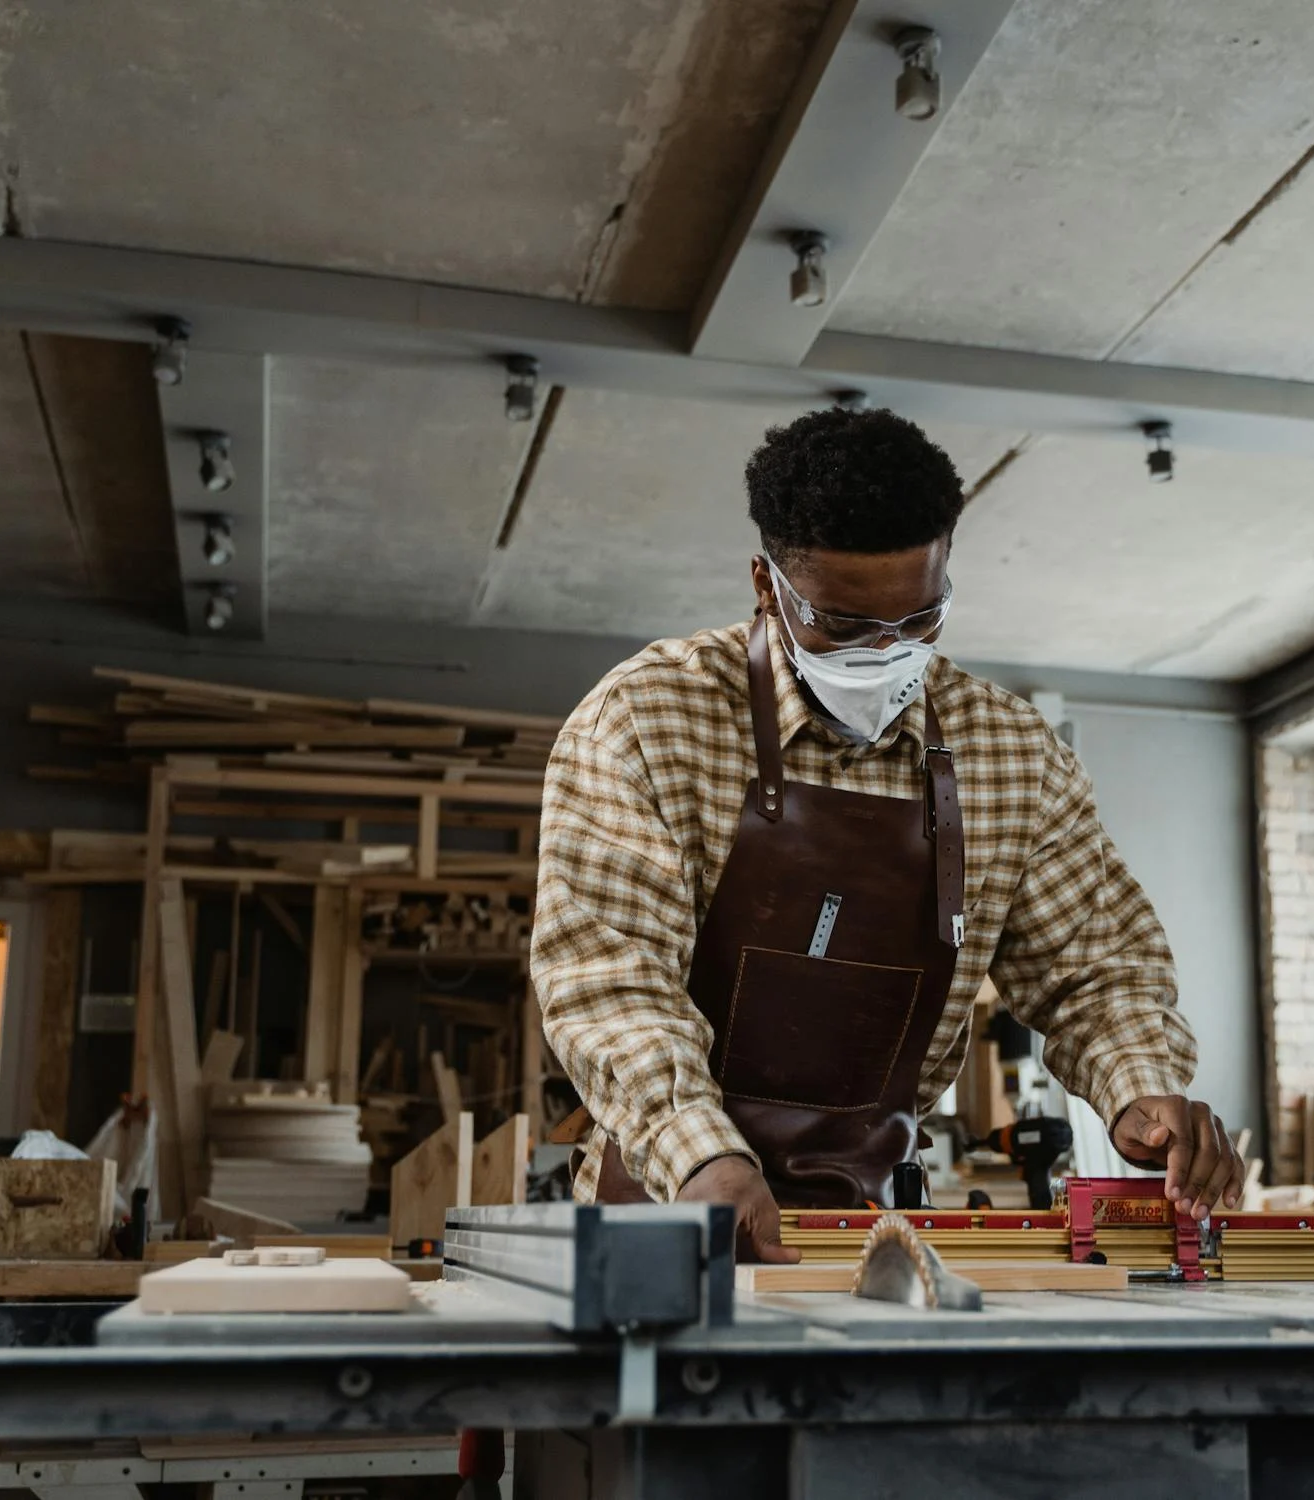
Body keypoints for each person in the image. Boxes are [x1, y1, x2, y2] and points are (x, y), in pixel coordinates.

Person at [531, 406, 1240, 1262]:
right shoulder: (644, 720)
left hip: (869, 1227)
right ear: (767, 585)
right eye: (844, 626)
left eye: (918, 622)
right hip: (666, 1209)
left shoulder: (1012, 756)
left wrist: (1140, 1090)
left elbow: (1094, 970)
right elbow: (610, 983)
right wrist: (701, 1155)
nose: (886, 654)